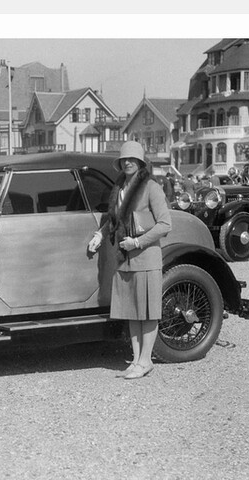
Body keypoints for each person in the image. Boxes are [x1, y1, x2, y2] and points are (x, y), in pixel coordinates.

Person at [88, 140, 172, 379]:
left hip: (146, 259)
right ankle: (136, 360)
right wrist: (100, 234)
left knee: (148, 312)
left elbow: (165, 224)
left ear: (140, 163)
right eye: (124, 159)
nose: (128, 163)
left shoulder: (151, 187)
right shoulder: (120, 188)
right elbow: (115, 220)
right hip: (124, 260)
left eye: (132, 159)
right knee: (132, 312)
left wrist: (137, 242)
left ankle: (146, 361)